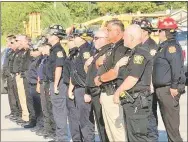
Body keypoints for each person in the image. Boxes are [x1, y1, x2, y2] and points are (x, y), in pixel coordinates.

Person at [113, 24, 155, 142]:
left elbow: (133, 78)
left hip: (138, 102)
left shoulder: (139, 54)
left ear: (131, 37)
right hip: (132, 101)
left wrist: (117, 93)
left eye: (125, 36)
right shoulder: (133, 53)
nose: (123, 38)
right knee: (133, 136)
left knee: (138, 137)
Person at [94, 19, 129, 142]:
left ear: (118, 31)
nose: (106, 32)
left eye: (109, 30)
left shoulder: (121, 48)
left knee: (117, 131)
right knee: (110, 131)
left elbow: (115, 72)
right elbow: (101, 64)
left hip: (113, 92)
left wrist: (100, 78)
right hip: (106, 91)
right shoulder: (112, 47)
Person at [152, 17, 186, 142]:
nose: (158, 33)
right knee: (168, 125)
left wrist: (174, 86)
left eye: (159, 30)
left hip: (169, 90)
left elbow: (176, 68)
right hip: (163, 89)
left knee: (172, 127)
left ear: (166, 32)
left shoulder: (172, 47)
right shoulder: (164, 46)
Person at [68, 25, 95, 141]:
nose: (73, 39)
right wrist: (71, 88)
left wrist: (87, 91)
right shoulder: (79, 51)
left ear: (82, 37)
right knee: (81, 119)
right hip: (78, 88)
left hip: (84, 88)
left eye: (75, 36)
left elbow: (89, 73)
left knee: (85, 122)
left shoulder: (86, 51)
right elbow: (75, 72)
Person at [84, 29, 110, 142]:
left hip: (100, 91)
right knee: (100, 124)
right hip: (94, 91)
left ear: (105, 39)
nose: (94, 40)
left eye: (96, 38)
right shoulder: (97, 53)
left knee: (104, 124)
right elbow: (89, 74)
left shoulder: (107, 52)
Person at [46, 24, 68, 142]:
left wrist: (55, 85)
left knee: (59, 110)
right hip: (54, 82)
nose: (48, 36)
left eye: (50, 34)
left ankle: (62, 137)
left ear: (56, 36)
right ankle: (59, 136)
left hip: (58, 83)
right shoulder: (54, 49)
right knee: (56, 109)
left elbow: (59, 67)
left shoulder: (58, 50)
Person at [3, 35, 22, 121]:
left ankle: (17, 112)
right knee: (11, 95)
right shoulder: (9, 51)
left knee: (15, 95)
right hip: (8, 75)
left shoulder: (17, 52)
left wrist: (11, 73)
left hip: (13, 75)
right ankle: (13, 111)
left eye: (10, 42)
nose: (8, 44)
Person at [13, 35, 30, 123]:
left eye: (20, 41)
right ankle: (24, 116)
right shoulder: (20, 52)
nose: (19, 42)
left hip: (24, 75)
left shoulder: (27, 51)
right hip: (19, 75)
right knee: (21, 97)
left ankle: (26, 116)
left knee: (24, 97)